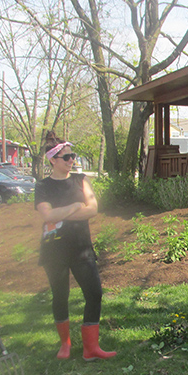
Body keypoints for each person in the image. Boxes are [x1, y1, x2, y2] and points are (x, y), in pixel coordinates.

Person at [35, 132, 116, 361]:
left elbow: (92, 209)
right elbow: (46, 214)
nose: (72, 160)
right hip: (54, 250)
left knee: (94, 293)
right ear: (52, 160)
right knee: (60, 295)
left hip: (81, 247)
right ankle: (65, 344)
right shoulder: (43, 186)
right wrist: (74, 206)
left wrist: (59, 214)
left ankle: (91, 348)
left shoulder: (81, 180)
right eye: (66, 157)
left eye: (73, 156)